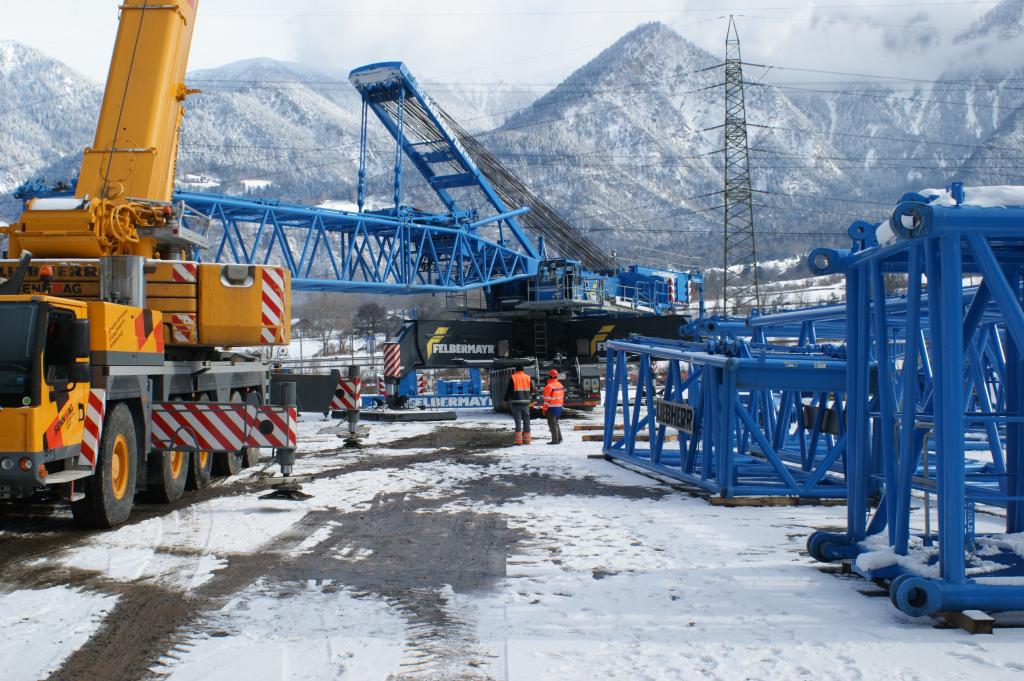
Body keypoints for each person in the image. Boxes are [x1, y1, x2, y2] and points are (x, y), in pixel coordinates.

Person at [504, 365, 534, 445]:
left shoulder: (513, 377)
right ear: (523, 370)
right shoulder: (527, 377)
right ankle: (527, 440)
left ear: (516, 370)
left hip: (516, 402)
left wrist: (505, 400)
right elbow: (531, 389)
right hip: (525, 403)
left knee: (518, 421)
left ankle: (519, 441)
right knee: (526, 421)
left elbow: (509, 390)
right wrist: (527, 396)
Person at [542, 369, 564, 445]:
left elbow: (546, 400)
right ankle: (559, 438)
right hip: (559, 407)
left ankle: (555, 440)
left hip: (551, 408)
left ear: (549, 376)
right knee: (556, 423)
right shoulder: (560, 385)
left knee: (552, 425)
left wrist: (544, 409)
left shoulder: (548, 386)